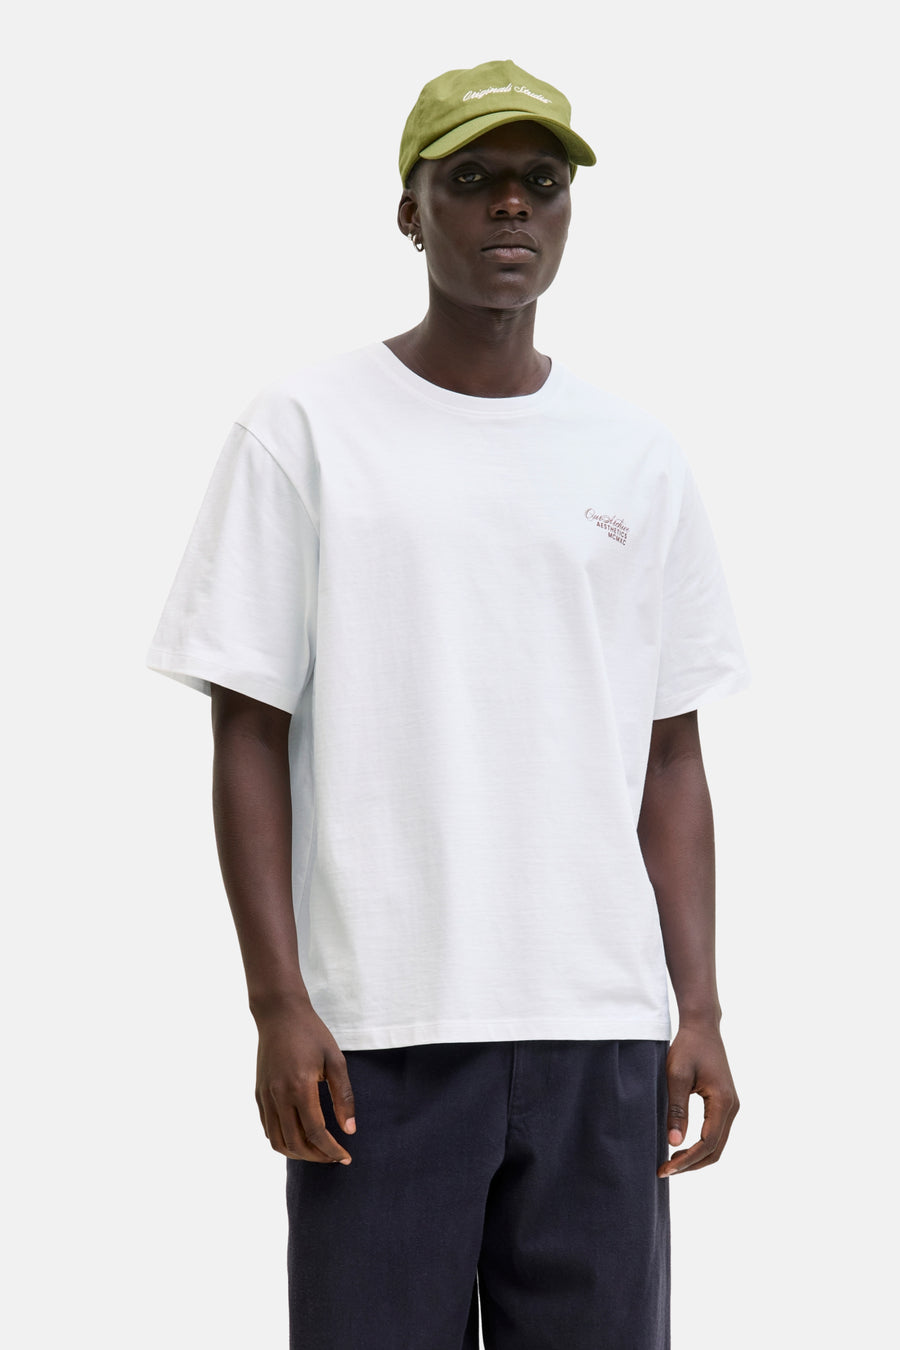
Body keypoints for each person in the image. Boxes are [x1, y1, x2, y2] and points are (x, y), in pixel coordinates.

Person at [147, 58, 750, 1350]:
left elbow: (672, 753)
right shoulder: (306, 430)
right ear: (411, 214)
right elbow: (248, 729)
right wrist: (276, 1001)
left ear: (570, 211)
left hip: (600, 1031)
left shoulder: (635, 456)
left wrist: (697, 1008)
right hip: (382, 1031)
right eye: (472, 179)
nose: (511, 206)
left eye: (541, 181)